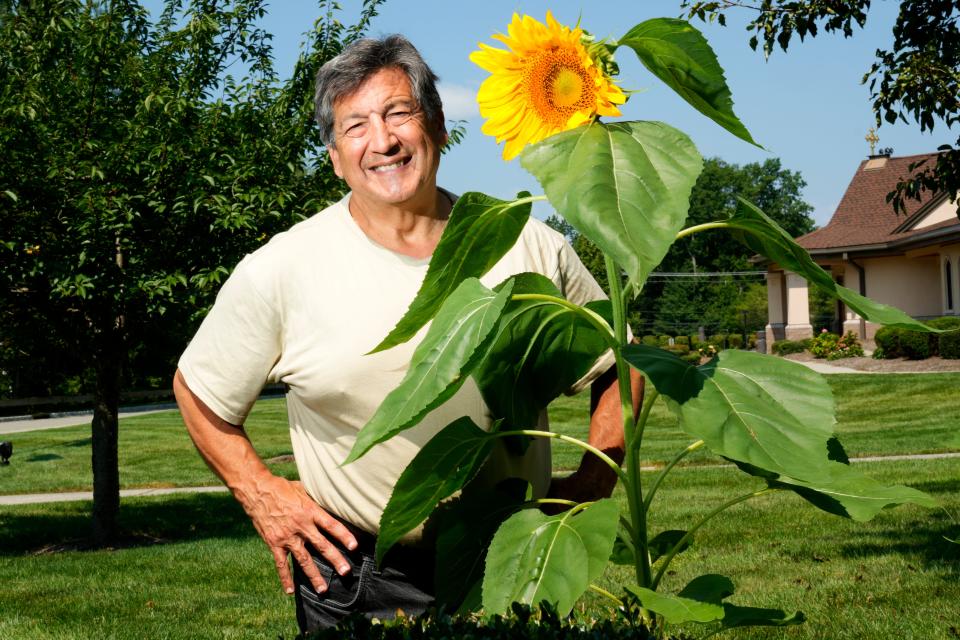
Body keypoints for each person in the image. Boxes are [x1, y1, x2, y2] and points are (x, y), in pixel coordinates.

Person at [174, 34, 640, 633]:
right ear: (335, 156)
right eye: (356, 126)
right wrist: (260, 491)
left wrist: (595, 479)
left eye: (400, 114)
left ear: (440, 127)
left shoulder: (526, 242)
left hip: (507, 566)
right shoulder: (282, 268)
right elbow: (199, 389)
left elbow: (619, 362)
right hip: (361, 581)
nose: (384, 140)